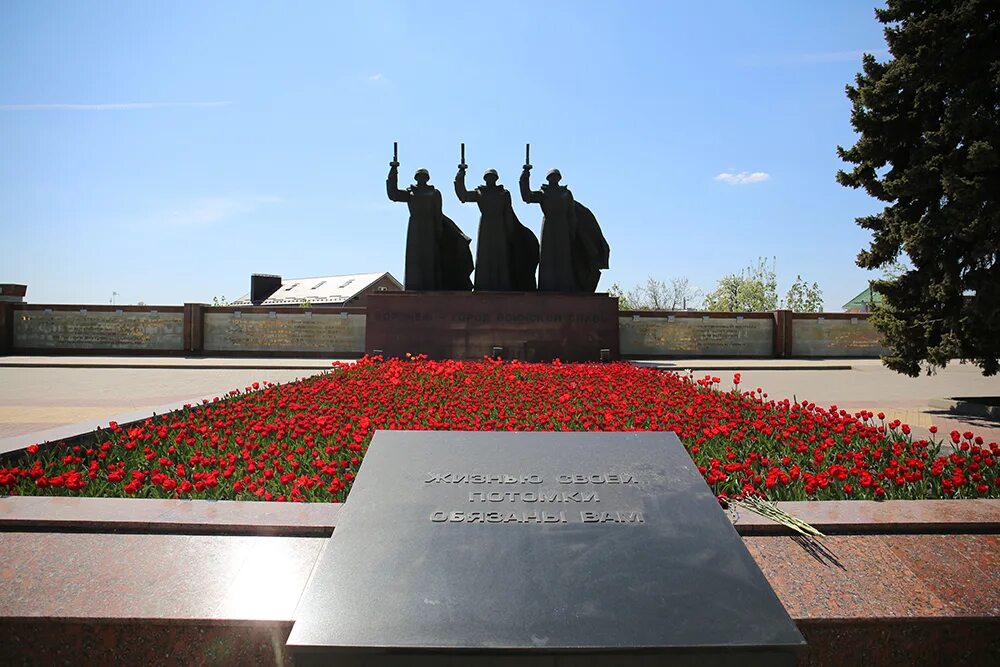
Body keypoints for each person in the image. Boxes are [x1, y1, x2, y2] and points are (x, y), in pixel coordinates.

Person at [520, 166, 608, 292]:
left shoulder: (566, 193)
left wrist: (572, 232)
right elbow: (527, 196)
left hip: (563, 227)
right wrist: (525, 175)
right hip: (549, 227)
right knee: (547, 257)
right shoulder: (543, 192)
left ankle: (566, 287)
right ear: (548, 178)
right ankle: (546, 287)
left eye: (556, 177)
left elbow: (571, 214)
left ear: (559, 178)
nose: (554, 179)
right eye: (551, 177)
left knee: (564, 257)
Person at [387, 163, 473, 291]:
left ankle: (432, 286)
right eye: (419, 176)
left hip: (430, 227)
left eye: (424, 176)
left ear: (427, 178)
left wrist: (439, 232)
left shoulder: (434, 193)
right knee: (415, 258)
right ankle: (414, 286)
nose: (422, 178)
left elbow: (438, 213)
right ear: (416, 178)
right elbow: (393, 194)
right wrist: (394, 171)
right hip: (415, 228)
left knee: (431, 258)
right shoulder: (411, 192)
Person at [455, 167, 539, 291]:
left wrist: (511, 232)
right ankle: (483, 285)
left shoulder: (503, 193)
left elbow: (508, 213)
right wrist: (460, 175)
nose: (490, 179)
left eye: (492, 177)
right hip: (485, 227)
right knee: (484, 256)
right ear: (485, 179)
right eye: (488, 177)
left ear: (496, 179)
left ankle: (503, 284)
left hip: (500, 228)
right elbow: (463, 195)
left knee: (501, 256)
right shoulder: (480, 192)